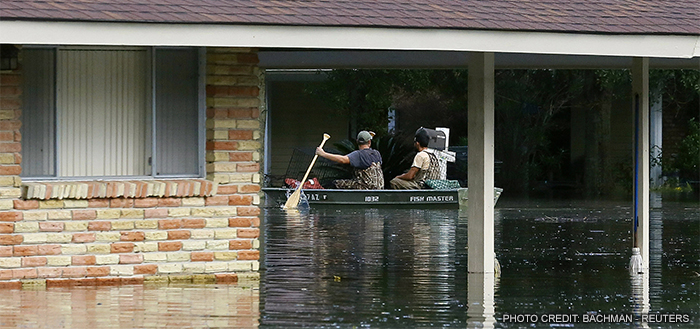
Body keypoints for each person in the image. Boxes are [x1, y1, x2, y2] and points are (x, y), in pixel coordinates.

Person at [315, 131, 384, 189]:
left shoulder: (358, 155)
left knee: (334, 183)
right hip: (379, 188)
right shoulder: (376, 154)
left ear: (357, 141)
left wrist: (323, 153)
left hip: (365, 188)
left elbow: (342, 160)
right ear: (369, 142)